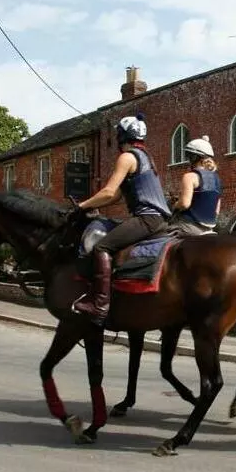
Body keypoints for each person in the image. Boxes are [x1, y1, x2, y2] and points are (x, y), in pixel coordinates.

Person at [71, 114, 172, 326]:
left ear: (121, 136)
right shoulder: (145, 157)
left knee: (101, 247)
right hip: (160, 220)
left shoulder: (127, 157)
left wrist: (80, 207)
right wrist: (93, 204)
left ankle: (100, 304)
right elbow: (116, 195)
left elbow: (108, 192)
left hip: (147, 219)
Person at [170, 135, 222, 236]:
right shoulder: (217, 179)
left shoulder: (189, 176)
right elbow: (217, 210)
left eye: (189, 156)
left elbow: (185, 204)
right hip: (209, 229)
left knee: (160, 238)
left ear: (194, 157)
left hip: (188, 227)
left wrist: (174, 205)